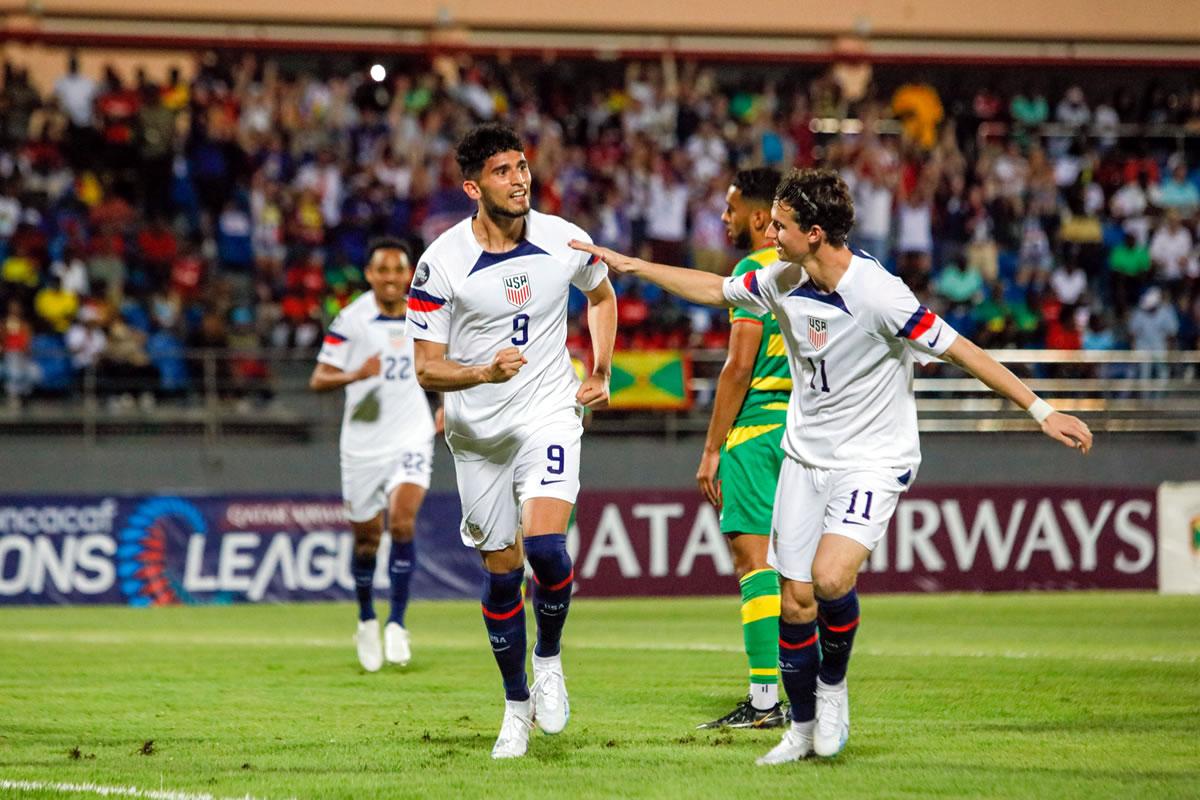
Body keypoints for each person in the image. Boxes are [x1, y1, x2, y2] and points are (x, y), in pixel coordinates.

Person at [568, 167, 1092, 766]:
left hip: (872, 460)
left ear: (814, 232)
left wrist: (1040, 408)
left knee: (831, 579)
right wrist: (630, 266)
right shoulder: (784, 277)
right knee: (794, 600)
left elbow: (961, 349)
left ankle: (833, 688)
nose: (771, 231)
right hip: (804, 457)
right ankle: (801, 727)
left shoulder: (879, 293)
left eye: (783, 225)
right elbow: (716, 290)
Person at [406, 123, 617, 759]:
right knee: (502, 578)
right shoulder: (439, 262)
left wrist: (601, 370)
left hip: (549, 408)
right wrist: (480, 372)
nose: (519, 178)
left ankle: (548, 660)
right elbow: (426, 366)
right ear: (473, 186)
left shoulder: (564, 239)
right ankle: (515, 705)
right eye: (502, 171)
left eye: (522, 166)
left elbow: (602, 296)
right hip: (477, 434)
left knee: (547, 548)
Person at [310, 239, 439, 673]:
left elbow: (445, 361)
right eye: (382, 270)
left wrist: (447, 409)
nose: (390, 278)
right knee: (366, 539)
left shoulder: (427, 312)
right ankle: (366, 618)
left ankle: (397, 623)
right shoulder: (351, 319)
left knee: (401, 522)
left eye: (398, 270)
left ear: (409, 274)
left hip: (412, 436)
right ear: (369, 275)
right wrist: (355, 373)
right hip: (363, 445)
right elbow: (319, 379)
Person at [694, 167, 788, 730]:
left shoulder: (753, 272)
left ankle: (762, 703)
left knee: (754, 566)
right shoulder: (811, 270)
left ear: (759, 217)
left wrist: (712, 448)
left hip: (755, 435)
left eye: (731, 209)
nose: (725, 218)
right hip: (804, 431)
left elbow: (737, 365)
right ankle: (808, 691)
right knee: (797, 571)